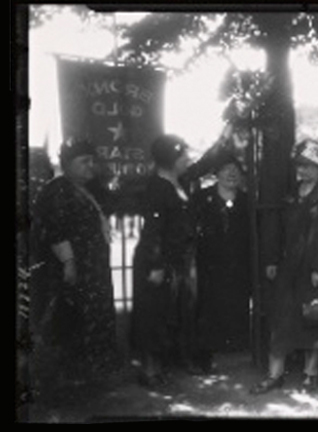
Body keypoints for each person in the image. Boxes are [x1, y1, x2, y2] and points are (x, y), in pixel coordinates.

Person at [250, 139, 318, 394]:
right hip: (288, 267)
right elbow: (280, 230)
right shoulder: (292, 193)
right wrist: (271, 260)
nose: (302, 170)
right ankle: (275, 375)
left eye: (308, 165)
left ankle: (309, 374)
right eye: (299, 165)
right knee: (280, 319)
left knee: (313, 319)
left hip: (313, 269)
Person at [31, 138, 118, 388]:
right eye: (84, 162)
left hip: (93, 269)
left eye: (93, 161)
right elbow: (55, 229)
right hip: (73, 270)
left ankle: (93, 373)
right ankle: (71, 378)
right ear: (67, 164)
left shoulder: (87, 189)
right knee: (73, 318)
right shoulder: (57, 189)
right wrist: (69, 262)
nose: (91, 166)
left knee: (94, 316)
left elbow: (109, 202)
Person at [130, 134, 197, 387]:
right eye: (184, 156)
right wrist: (156, 266)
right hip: (155, 262)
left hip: (173, 261)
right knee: (152, 316)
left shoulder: (178, 183)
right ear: (172, 160)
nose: (188, 160)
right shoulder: (158, 188)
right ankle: (149, 372)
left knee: (166, 315)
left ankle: (159, 368)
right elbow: (152, 232)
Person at [191, 149, 251, 372]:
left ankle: (234, 349)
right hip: (208, 266)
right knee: (207, 310)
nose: (231, 174)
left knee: (235, 307)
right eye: (226, 170)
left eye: (235, 170)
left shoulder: (247, 201)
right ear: (216, 174)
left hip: (237, 266)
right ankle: (204, 356)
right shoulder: (201, 198)